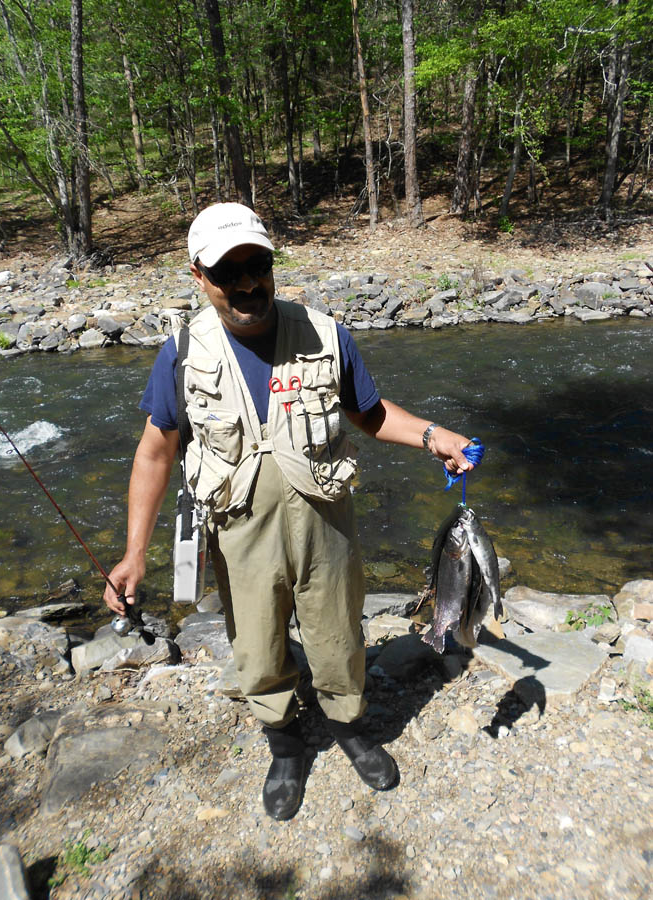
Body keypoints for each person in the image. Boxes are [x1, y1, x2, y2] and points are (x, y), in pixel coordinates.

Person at [104, 202, 474, 821]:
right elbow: (154, 454)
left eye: (258, 266)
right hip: (239, 534)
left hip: (326, 526)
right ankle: (284, 744)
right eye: (228, 273)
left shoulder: (327, 335)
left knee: (339, 636)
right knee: (257, 646)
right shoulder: (182, 353)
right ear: (198, 276)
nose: (248, 284)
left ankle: (349, 726)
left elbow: (369, 414)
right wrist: (134, 554)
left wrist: (434, 435)